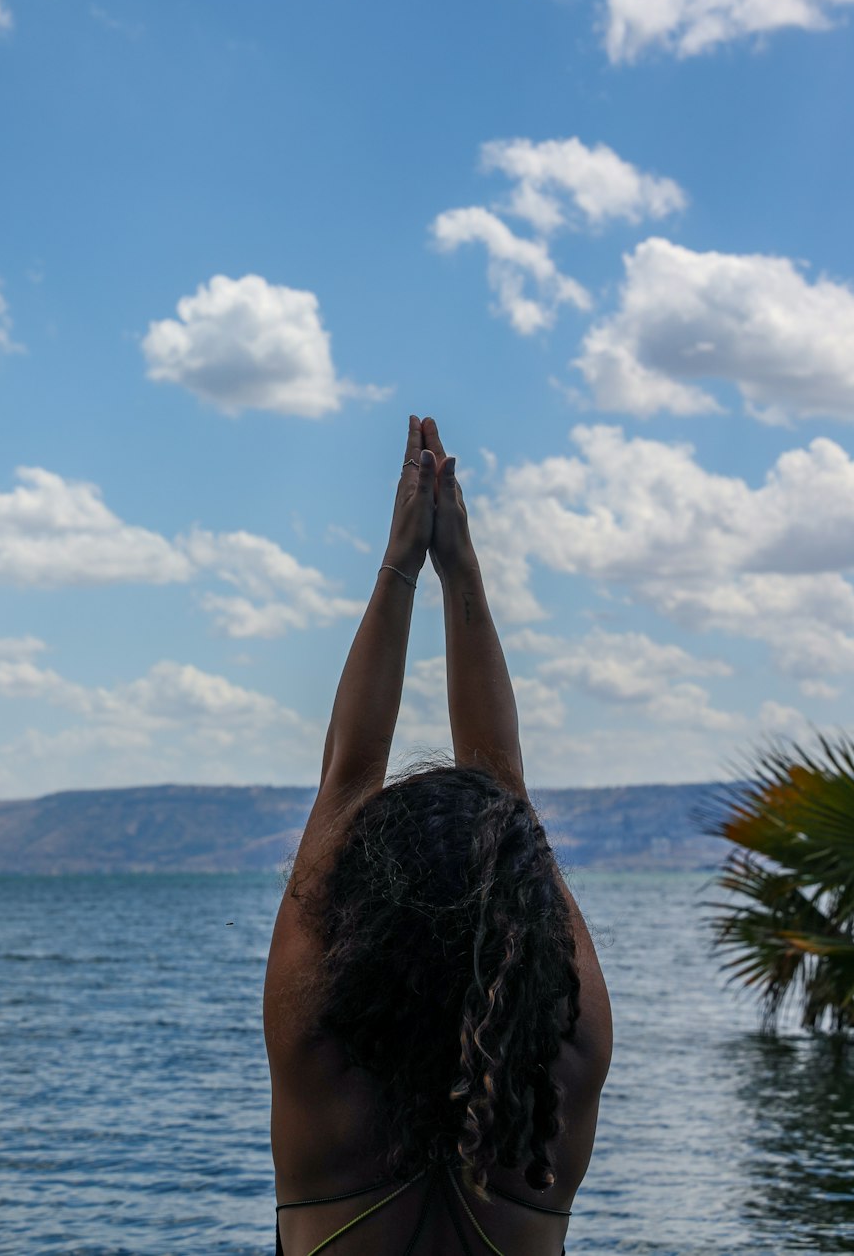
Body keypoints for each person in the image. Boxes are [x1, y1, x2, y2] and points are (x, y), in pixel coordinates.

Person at [263, 417, 612, 1256]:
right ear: (525, 898)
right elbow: (505, 784)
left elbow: (349, 773)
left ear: (365, 902)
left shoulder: (317, 1042)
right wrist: (465, 568)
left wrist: (404, 563)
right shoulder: (566, 1057)